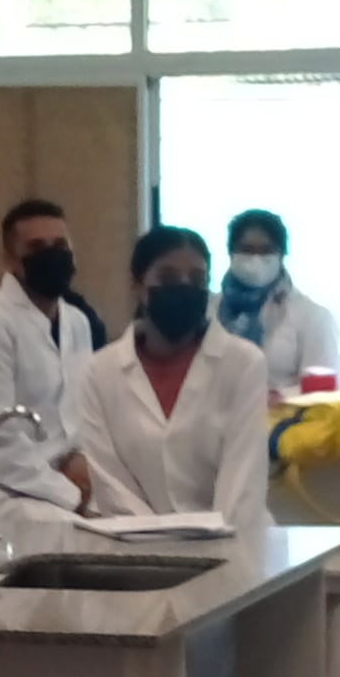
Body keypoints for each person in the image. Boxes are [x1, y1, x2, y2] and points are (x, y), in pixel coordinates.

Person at [76, 226, 269, 530]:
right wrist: (161, 548)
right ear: (137, 286)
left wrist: (211, 547)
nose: (183, 287)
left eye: (196, 279)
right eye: (167, 278)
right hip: (139, 551)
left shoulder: (243, 364)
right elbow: (111, 484)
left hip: (233, 547)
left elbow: (241, 487)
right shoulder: (100, 371)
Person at [0, 198, 94, 515]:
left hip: (76, 478)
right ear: (10, 260)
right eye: (36, 246)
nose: (51, 254)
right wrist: (69, 493)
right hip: (14, 492)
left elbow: (82, 414)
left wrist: (85, 473)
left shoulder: (78, 322)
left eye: (60, 244)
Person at [216, 209, 338, 395]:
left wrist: (279, 397)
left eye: (266, 251)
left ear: (282, 256)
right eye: (246, 250)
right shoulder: (208, 309)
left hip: (283, 419)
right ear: (231, 253)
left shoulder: (312, 316)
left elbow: (322, 392)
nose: (256, 259)